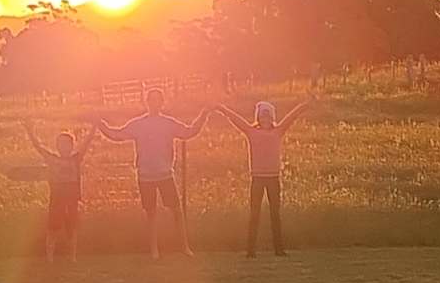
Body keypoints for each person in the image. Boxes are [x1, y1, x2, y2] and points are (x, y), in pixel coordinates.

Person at [92, 88, 219, 256]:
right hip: (145, 175)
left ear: (162, 102)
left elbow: (189, 132)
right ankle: (154, 250)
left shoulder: (168, 123)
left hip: (165, 174)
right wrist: (100, 124)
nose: (154, 103)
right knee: (151, 213)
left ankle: (185, 247)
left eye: (157, 100)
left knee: (176, 210)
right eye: (151, 100)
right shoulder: (138, 124)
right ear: (147, 102)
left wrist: (204, 115)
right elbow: (117, 135)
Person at [216, 97, 313, 256]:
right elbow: (236, 120)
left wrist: (303, 106)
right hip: (258, 178)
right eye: (262, 116)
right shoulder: (251, 131)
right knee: (254, 214)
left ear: (272, 117)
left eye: (268, 116)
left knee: (275, 214)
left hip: (273, 178)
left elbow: (291, 117)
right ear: (258, 118)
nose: (265, 119)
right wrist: (223, 109)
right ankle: (250, 250)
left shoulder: (278, 130)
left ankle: (279, 250)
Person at [17, 120, 91, 260]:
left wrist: (94, 128)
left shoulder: (76, 159)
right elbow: (38, 147)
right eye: (62, 145)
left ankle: (73, 256)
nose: (64, 148)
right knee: (52, 228)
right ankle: (49, 257)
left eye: (67, 145)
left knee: (72, 228)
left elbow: (86, 144)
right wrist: (30, 131)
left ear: (72, 146)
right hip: (57, 198)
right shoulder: (52, 159)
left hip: (72, 198)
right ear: (57, 146)